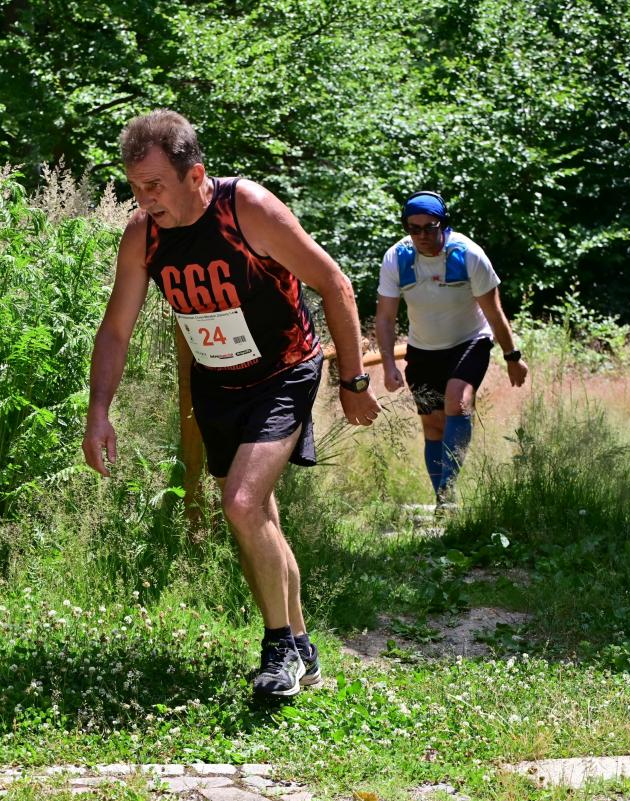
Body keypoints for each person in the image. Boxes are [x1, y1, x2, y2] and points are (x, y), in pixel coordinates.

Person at [82, 110, 380, 698]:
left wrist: (353, 382)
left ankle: (277, 650)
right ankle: (301, 646)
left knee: (240, 504)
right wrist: (99, 413)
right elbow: (115, 329)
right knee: (256, 514)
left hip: (283, 372)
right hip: (217, 383)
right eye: (135, 187)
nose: (144, 200)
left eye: (154, 186)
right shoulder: (144, 236)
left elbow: (334, 282)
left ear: (195, 175)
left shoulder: (246, 209)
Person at [374, 191, 528, 504]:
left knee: (456, 402)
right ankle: (444, 503)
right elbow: (386, 318)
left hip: (470, 340)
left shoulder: (468, 254)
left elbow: (494, 312)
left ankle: (447, 489)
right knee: (433, 425)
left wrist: (512, 357)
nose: (421, 235)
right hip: (423, 348)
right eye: (413, 228)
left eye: (429, 227)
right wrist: (389, 364)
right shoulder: (397, 258)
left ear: (443, 224)